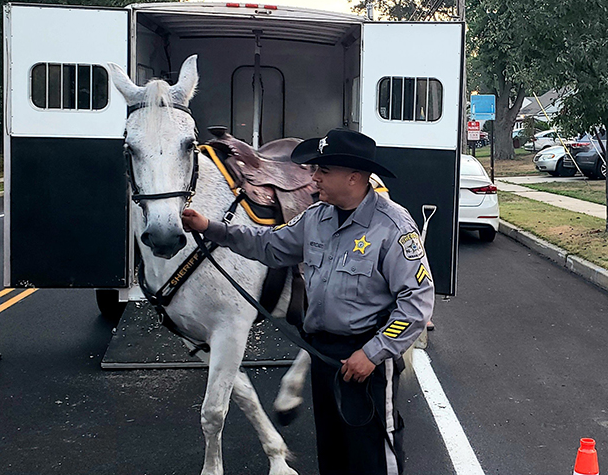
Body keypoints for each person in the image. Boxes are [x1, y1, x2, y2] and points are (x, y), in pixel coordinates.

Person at [182, 128, 434, 475]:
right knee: (332, 456)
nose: (313, 177)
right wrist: (211, 227)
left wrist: (372, 354)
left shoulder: (393, 226)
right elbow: (268, 244)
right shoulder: (316, 218)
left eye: (323, 171)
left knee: (375, 457)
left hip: (367, 360)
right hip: (323, 355)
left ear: (354, 177)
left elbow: (417, 303)